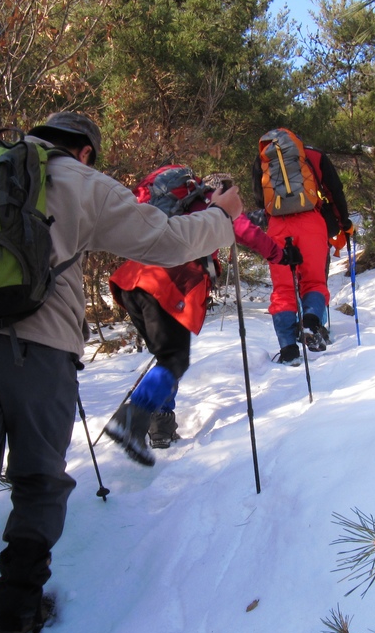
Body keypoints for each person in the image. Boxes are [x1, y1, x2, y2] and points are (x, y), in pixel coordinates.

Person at [0, 112, 243, 633]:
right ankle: (18, 608)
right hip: (37, 347)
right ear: (85, 151)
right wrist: (222, 217)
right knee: (39, 477)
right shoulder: (77, 179)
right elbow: (167, 240)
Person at [104, 170, 302, 466]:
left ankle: (159, 426)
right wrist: (280, 255)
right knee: (174, 360)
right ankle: (132, 420)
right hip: (167, 285)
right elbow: (244, 231)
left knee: (167, 361)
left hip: (133, 281)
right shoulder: (213, 203)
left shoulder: (177, 201)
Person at [251, 130, 352, 366]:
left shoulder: (263, 159)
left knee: (283, 288)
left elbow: (260, 198)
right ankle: (312, 319)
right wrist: (343, 222)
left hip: (277, 226)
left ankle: (288, 349)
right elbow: (335, 191)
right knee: (314, 282)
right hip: (311, 222)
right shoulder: (313, 155)